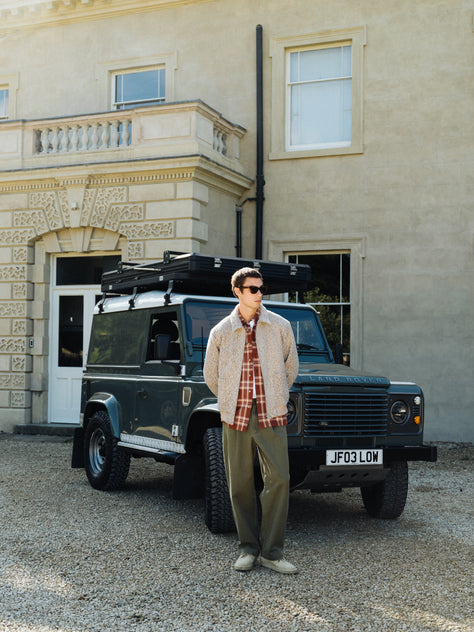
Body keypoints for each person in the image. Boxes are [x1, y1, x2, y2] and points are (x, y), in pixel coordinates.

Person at [203, 267, 299, 574]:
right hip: (236, 414)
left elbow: (291, 367)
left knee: (279, 479)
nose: (259, 294)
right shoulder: (221, 331)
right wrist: (230, 399)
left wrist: (277, 394)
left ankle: (272, 552)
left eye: (261, 288)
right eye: (253, 289)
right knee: (239, 484)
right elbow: (211, 375)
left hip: (272, 412)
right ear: (238, 291)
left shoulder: (280, 326)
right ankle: (247, 549)